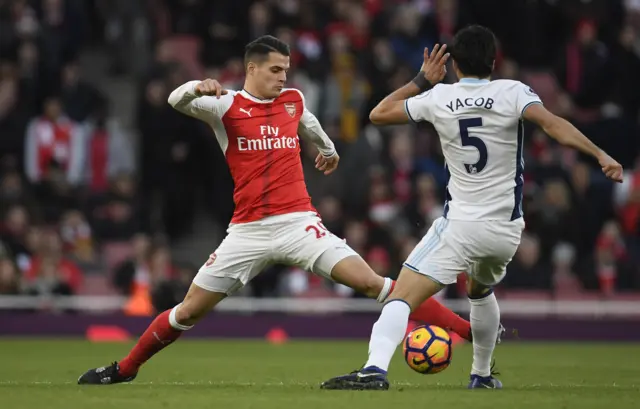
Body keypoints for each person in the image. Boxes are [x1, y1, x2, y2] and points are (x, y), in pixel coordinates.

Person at [77, 35, 475, 385]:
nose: (283, 77)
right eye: (275, 69)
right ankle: (125, 369)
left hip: (299, 223)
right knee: (186, 312)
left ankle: (467, 330)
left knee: (375, 284)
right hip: (247, 231)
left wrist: (328, 151)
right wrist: (199, 86)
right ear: (252, 69)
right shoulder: (225, 105)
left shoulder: (292, 100)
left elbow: (311, 125)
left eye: (286, 69)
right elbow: (173, 99)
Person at [320, 25, 623, 391]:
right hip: (506, 231)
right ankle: (480, 375)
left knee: (401, 295)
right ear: (494, 62)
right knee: (479, 291)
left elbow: (379, 114)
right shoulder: (513, 92)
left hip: (461, 226)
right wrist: (600, 154)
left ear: (454, 65)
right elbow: (553, 124)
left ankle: (373, 371)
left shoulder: (441, 96)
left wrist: (422, 80)